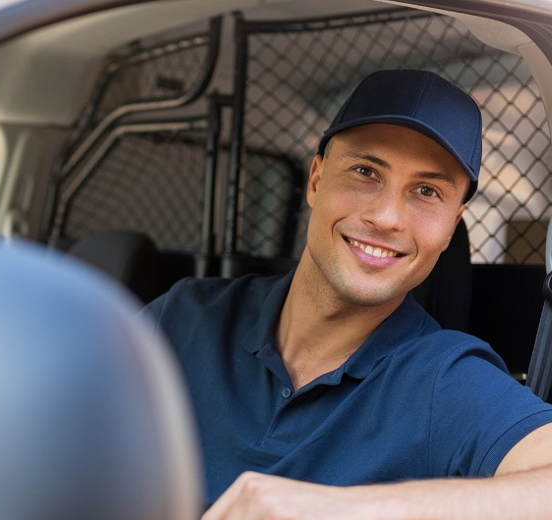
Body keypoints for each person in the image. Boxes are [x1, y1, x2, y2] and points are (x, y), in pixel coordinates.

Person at [144, 69, 552, 519]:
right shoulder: (186, 317)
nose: (387, 217)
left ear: (452, 225)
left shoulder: (445, 381)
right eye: (365, 171)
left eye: (426, 191)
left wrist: (346, 508)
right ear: (316, 180)